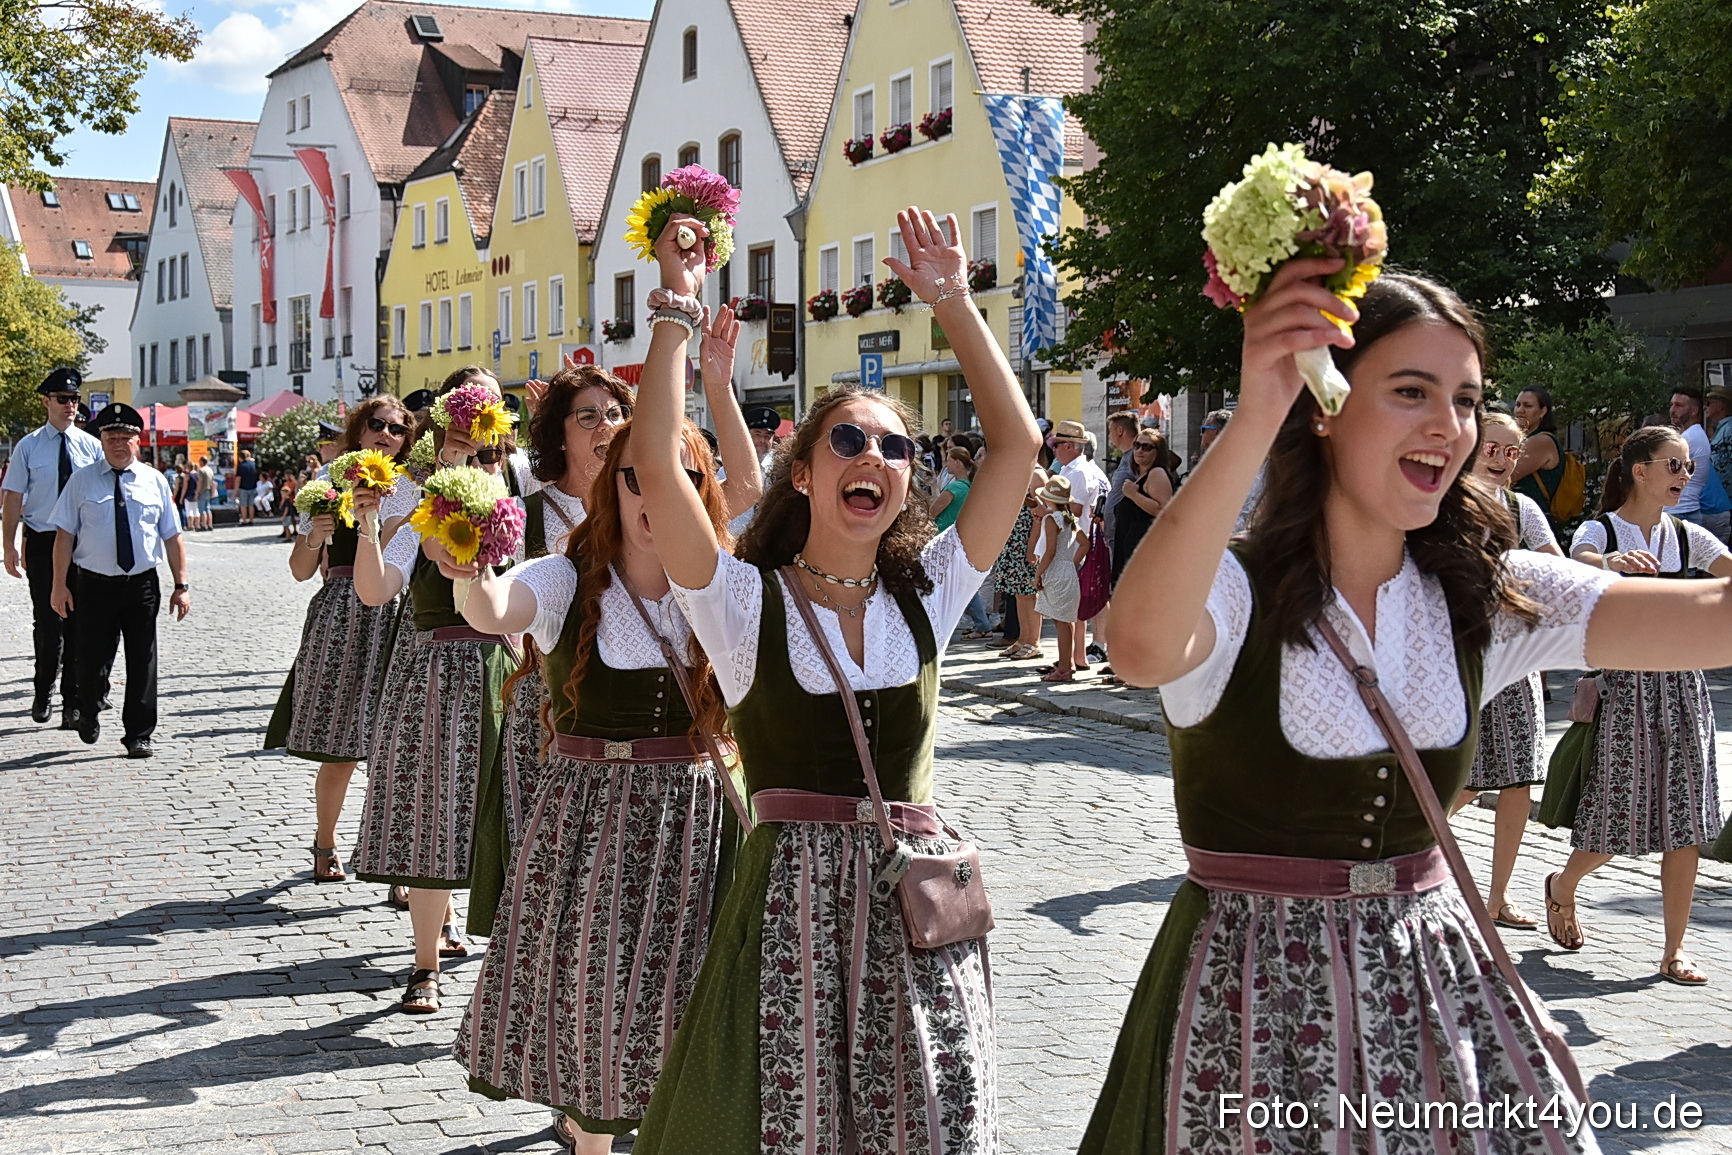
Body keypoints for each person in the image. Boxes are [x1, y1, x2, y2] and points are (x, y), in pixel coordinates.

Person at [1087, 262, 1732, 1153]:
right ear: (1326, 404)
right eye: (1411, 391)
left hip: (1429, 991)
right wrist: (1260, 408)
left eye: (1465, 400)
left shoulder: (1484, 592)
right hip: (1247, 1005)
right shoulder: (1234, 588)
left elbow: (1715, 618)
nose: (1449, 425)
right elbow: (1136, 645)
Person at [630, 206, 1041, 1154]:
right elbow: (656, 462)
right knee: (793, 1125)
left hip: (912, 911)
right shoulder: (743, 602)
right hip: (792, 917)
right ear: (806, 476)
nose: (875, 459)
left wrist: (954, 301)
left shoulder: (927, 592)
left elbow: (1015, 449)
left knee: (925, 1125)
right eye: (849, 443)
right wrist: (676, 312)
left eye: (895, 448)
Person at [447, 415, 742, 1154]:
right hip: (593, 817)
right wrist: (470, 572)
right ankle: (590, 1134)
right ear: (612, 487)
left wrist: (718, 388)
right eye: (638, 477)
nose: (658, 495)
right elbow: (494, 610)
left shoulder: (720, 585)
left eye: (682, 478)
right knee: (596, 994)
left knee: (684, 993)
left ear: (703, 493)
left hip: (694, 820)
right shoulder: (567, 577)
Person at [1553, 424, 1730, 985]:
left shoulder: (1688, 536)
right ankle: (1563, 884)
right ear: (1640, 470)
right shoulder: (1601, 529)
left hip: (1683, 688)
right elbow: (1577, 563)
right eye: (1674, 465)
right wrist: (1611, 564)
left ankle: (1673, 950)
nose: (1685, 475)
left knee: (1686, 821)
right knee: (1618, 815)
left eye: (1687, 466)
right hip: (1625, 690)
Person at [264, 397, 417, 885]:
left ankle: (398, 868)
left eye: (397, 429)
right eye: (377, 424)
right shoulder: (330, 481)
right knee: (341, 747)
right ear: (359, 430)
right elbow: (299, 570)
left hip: (397, 612)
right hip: (341, 616)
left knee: (398, 752)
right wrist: (315, 535)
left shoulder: (413, 487)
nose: (386, 435)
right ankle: (325, 843)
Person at [1451, 410, 1564, 931]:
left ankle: (1498, 897)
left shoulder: (1522, 508)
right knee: (1463, 777)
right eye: (1491, 449)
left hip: (1518, 656)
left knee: (1518, 778)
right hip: (1461, 654)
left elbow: (1557, 568)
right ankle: (1401, 859)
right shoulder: (1445, 503)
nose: (1500, 459)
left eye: (1511, 451)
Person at [49, 403, 191, 758]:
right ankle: (89, 706)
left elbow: (172, 536)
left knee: (143, 659)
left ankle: (139, 735)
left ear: (137, 441)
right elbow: (64, 536)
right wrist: (58, 585)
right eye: (111, 437)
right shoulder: (81, 481)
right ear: (101, 440)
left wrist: (181, 586)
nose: (118, 444)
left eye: (125, 437)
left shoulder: (154, 481)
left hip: (141, 585)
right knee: (90, 659)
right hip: (94, 585)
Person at [2, 367, 103, 728]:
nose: (70, 405)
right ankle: (43, 688)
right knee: (48, 621)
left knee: (78, 623)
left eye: (75, 399)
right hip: (43, 541)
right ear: (46, 402)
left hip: (81, 543)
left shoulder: (91, 446)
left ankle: (71, 701)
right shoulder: (28, 446)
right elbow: (13, 498)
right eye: (62, 399)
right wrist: (9, 546)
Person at [1051, 419, 1109, 670]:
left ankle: (1074, 658)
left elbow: (1074, 510)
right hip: (1077, 541)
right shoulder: (1073, 469)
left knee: (1070, 604)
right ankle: (1075, 656)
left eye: (1056, 444)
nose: (1053, 449)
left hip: (1076, 543)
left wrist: (1048, 510)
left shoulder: (1078, 472)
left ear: (1070, 446)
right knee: (1075, 602)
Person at [1028, 473, 1089, 682]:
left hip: (1055, 572)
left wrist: (1038, 574)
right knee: (1066, 621)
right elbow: (1085, 544)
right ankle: (1066, 665)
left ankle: (1064, 668)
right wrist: (1071, 563)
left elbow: (1050, 551)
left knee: (1061, 623)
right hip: (1068, 571)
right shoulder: (1070, 520)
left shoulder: (1051, 519)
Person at [992, 466, 1047, 659]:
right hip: (1014, 542)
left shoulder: (1036, 474)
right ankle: (1023, 639)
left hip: (1026, 542)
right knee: (1018, 593)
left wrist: (1032, 548)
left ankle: (1034, 642)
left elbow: (1041, 514)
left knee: (1029, 594)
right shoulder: (1017, 471)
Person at [1110, 427, 1175, 590]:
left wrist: (1133, 495)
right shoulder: (1139, 476)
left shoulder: (1157, 473)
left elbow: (1163, 511)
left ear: (1157, 452)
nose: (1139, 450)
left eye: (1146, 447)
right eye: (1137, 445)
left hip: (1144, 555)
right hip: (1130, 553)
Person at [1666, 386, 1731, 544]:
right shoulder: (1693, 435)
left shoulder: (1689, 439)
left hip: (1687, 512)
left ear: (1694, 410)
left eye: (1679, 405)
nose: (1672, 410)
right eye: (1672, 405)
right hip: (1692, 510)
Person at [1510, 384, 1565, 531]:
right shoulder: (1525, 439)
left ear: (1543, 411)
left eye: (1527, 406)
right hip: (1520, 521)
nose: (1520, 411)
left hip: (1533, 526)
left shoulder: (1542, 441)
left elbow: (1504, 475)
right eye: (1518, 405)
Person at [1707, 385, 1732, 502]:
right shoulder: (1722, 428)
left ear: (1719, 406)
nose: (1705, 407)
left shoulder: (1729, 429)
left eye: (1708, 403)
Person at [235, 450, 260, 527]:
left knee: (243, 505)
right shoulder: (253, 464)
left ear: (240, 457)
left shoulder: (241, 466)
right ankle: (251, 520)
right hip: (253, 487)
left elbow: (238, 479)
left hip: (243, 487)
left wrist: (236, 490)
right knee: (251, 505)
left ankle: (244, 520)